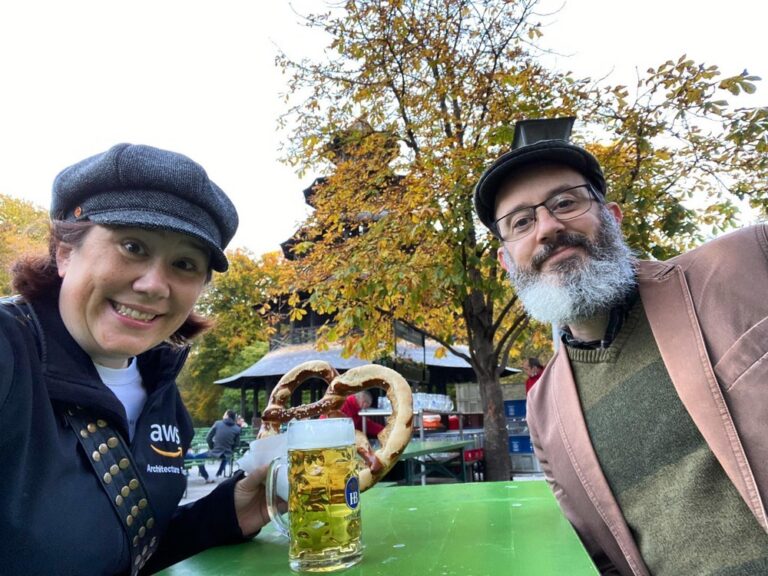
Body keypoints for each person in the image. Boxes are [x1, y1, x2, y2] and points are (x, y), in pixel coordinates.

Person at [474, 118, 768, 575]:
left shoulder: (747, 262)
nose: (548, 228)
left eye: (565, 202)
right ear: (507, 259)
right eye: (521, 222)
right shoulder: (544, 411)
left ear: (610, 217)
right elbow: (607, 560)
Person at [0, 144, 274, 575]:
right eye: (132, 246)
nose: (153, 285)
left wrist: (227, 514)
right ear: (65, 251)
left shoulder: (161, 391)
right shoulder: (8, 350)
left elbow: (125, 553)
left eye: (184, 263)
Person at [193, 410, 242, 482]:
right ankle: (218, 474)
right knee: (226, 455)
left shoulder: (218, 423)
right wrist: (230, 449)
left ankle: (206, 477)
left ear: (227, 416)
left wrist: (212, 447)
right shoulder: (237, 429)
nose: (223, 416)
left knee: (197, 457)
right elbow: (237, 444)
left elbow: (208, 438)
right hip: (227, 453)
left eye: (224, 414)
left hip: (215, 452)